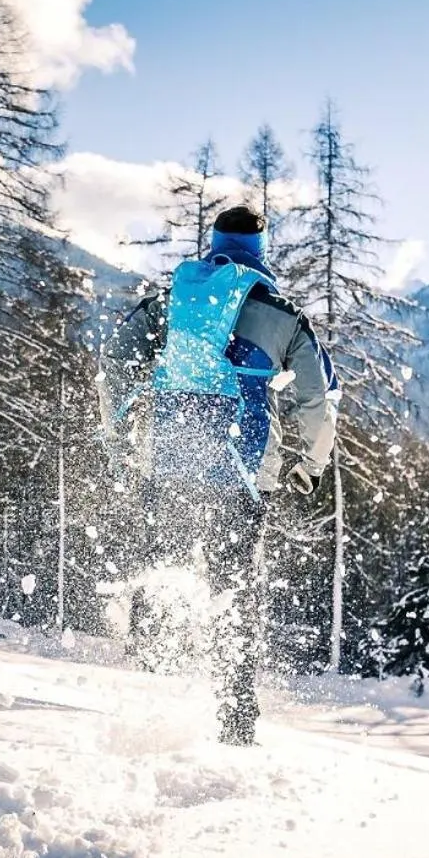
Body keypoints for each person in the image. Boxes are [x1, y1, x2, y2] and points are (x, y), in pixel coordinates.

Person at [99, 205, 338, 746]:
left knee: (162, 577)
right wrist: (311, 465)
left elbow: (112, 363)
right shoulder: (281, 313)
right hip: (242, 475)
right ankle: (235, 720)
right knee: (234, 592)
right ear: (262, 247)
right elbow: (316, 400)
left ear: (214, 241)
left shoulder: (171, 301)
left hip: (167, 463)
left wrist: (118, 446)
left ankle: (146, 699)